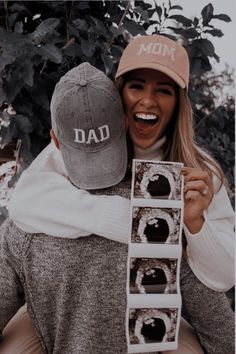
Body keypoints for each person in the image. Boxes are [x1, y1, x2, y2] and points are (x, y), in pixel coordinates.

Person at [4, 34, 235, 353]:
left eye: (164, 91)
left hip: (156, 309)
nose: (148, 101)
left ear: (179, 103)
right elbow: (24, 203)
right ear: (119, 92)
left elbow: (222, 277)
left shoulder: (199, 171)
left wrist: (194, 227)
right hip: (57, 312)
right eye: (136, 86)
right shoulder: (85, 141)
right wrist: (133, 220)